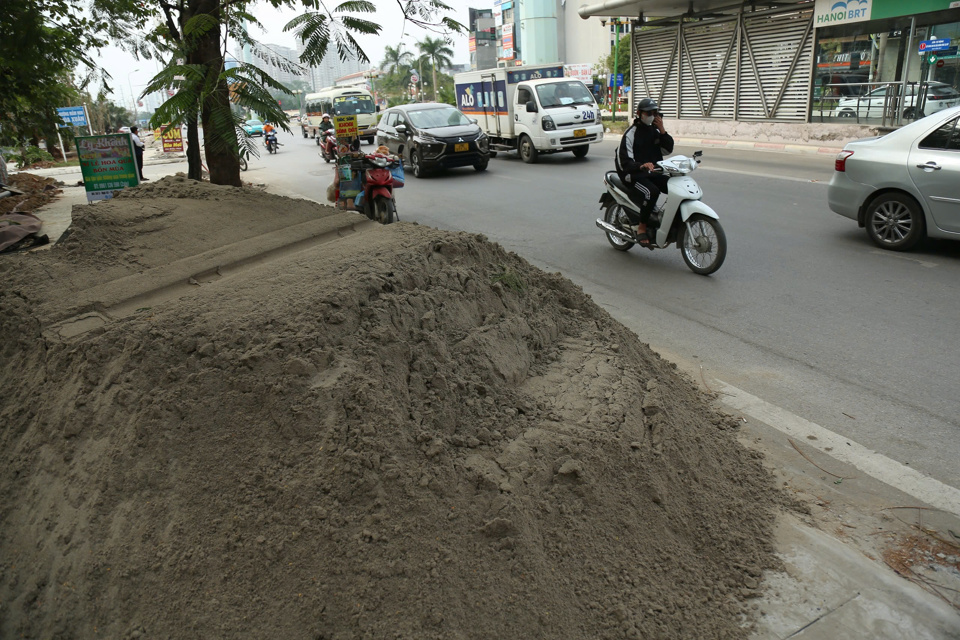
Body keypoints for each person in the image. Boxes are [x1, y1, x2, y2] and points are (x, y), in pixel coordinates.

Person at [615, 98, 674, 246]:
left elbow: (667, 149)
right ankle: (642, 227)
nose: (652, 116)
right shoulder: (631, 133)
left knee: (674, 186)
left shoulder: (654, 131)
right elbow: (625, 161)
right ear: (639, 113)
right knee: (651, 192)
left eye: (655, 113)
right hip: (633, 174)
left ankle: (667, 221)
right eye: (649, 113)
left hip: (652, 173)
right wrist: (641, 166)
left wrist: (662, 130)